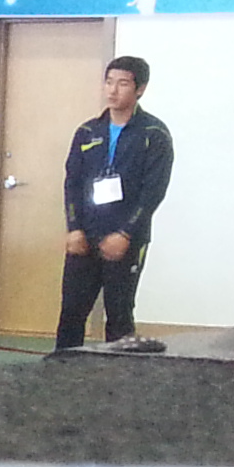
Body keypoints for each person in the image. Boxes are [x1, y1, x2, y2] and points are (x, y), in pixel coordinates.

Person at [56, 54, 172, 353]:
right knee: (72, 310)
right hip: (85, 235)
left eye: (122, 84)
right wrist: (74, 228)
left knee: (119, 313)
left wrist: (125, 234)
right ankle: (63, 369)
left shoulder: (153, 135)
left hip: (126, 238)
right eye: (108, 82)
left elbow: (153, 192)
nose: (112, 90)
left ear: (140, 89)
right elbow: (72, 183)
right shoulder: (87, 132)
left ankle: (118, 374)